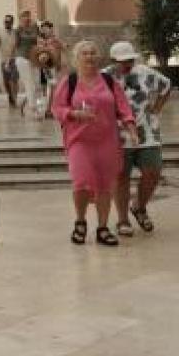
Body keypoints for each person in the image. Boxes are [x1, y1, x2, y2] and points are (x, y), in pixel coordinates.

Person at [50, 41, 138, 247]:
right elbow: (57, 108)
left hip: (107, 141)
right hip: (79, 140)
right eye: (84, 53)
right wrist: (74, 113)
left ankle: (102, 228)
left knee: (105, 186)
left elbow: (123, 107)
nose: (89, 57)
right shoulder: (69, 81)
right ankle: (80, 222)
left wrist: (131, 128)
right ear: (76, 58)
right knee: (80, 182)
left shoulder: (108, 81)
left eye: (92, 53)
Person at [106, 41, 171, 238]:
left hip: (147, 132)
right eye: (122, 61)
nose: (127, 64)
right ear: (113, 61)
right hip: (118, 133)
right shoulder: (104, 77)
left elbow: (166, 86)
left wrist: (157, 109)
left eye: (130, 60)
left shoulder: (145, 72)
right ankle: (123, 220)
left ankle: (139, 207)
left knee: (153, 171)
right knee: (121, 176)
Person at [33, 21, 66, 116]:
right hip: (46, 67)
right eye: (42, 28)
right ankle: (47, 109)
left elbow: (63, 48)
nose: (44, 30)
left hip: (54, 67)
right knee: (50, 87)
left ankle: (49, 109)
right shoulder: (41, 40)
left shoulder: (55, 40)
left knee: (52, 87)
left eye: (46, 28)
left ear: (51, 29)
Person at [13, 9, 42, 116]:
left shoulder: (35, 27)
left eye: (28, 15)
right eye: (24, 16)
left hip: (34, 58)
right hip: (22, 59)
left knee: (37, 83)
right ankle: (33, 109)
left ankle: (26, 104)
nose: (27, 18)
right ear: (20, 19)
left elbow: (40, 40)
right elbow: (15, 45)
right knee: (29, 84)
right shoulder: (18, 30)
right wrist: (9, 60)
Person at [0, 15, 20, 108]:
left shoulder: (16, 33)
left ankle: (14, 99)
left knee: (14, 80)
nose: (6, 23)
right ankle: (11, 98)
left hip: (14, 60)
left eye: (8, 22)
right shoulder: (0, 33)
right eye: (5, 22)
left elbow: (17, 45)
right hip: (4, 61)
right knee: (6, 82)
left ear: (12, 22)